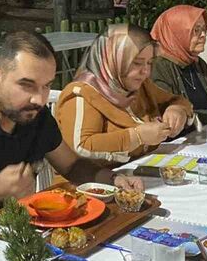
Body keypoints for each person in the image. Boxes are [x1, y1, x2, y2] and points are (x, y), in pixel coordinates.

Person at [0, 31, 143, 230]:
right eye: (27, 85)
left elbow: (73, 166)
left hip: (15, 232)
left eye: (46, 86)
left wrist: (112, 179)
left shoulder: (36, 116)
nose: (39, 99)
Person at [55, 24, 195, 164]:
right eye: (137, 63)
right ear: (112, 59)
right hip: (94, 182)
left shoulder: (140, 86)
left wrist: (177, 110)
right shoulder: (83, 94)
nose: (145, 71)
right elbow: (80, 147)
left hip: (140, 172)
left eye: (149, 63)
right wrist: (137, 137)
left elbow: (177, 101)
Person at [150, 5, 207, 124]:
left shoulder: (198, 63)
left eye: (204, 29)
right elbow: (168, 118)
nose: (203, 35)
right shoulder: (157, 68)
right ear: (176, 33)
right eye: (196, 30)